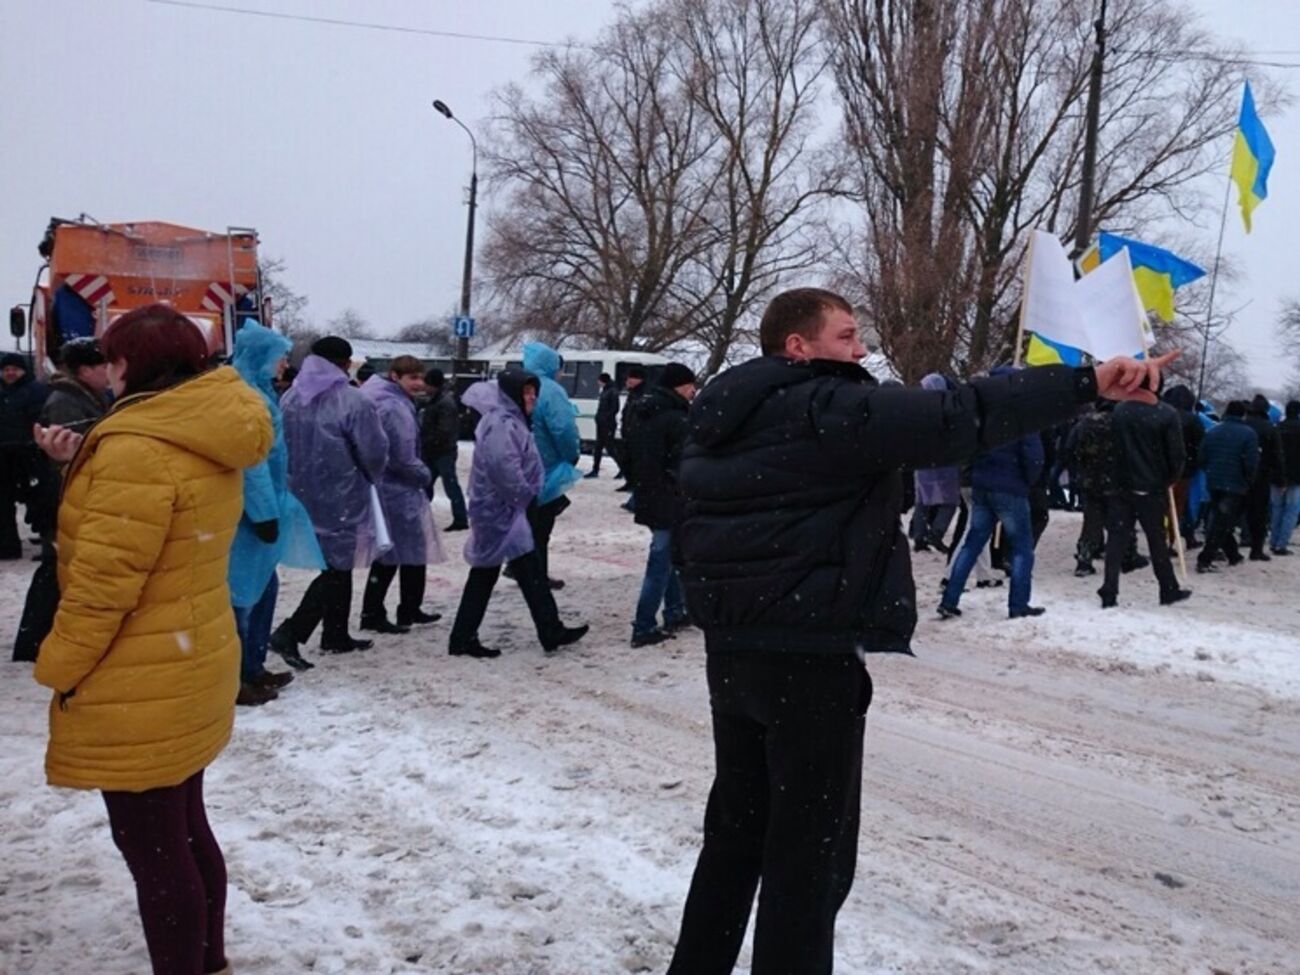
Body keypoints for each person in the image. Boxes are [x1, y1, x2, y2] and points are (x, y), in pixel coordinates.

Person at [667, 287, 1173, 975]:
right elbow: (955, 416)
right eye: (847, 336)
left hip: (733, 652)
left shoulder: (719, 415)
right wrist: (1085, 382)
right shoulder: (826, 404)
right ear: (798, 346)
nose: (861, 350)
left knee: (733, 836)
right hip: (809, 661)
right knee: (807, 863)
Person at [31, 303, 272, 975]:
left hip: (139, 676)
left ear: (130, 364)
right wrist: (80, 462)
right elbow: (158, 505)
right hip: (186, 660)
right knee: (184, 832)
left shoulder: (138, 447)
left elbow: (104, 588)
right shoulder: (195, 425)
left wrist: (59, 665)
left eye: (110, 359)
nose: (105, 372)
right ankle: (208, 961)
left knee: (156, 850)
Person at [446, 369, 589, 658]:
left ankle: (549, 630)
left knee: (524, 571)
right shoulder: (502, 423)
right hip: (501, 510)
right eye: (525, 391)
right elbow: (504, 468)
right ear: (512, 393)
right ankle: (465, 637)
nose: (531, 396)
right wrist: (526, 497)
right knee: (499, 572)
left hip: (505, 509)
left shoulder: (510, 420)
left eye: (532, 391)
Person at [270, 336, 388, 668]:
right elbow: (374, 450)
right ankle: (291, 632)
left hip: (301, 491)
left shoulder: (291, 396)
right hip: (342, 491)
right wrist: (369, 474)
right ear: (345, 362)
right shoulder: (353, 400)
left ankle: (335, 633)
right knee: (337, 567)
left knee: (336, 564)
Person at [227, 321, 325, 706]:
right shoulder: (244, 397)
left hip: (265, 509)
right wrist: (263, 513)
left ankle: (252, 666)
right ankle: (235, 678)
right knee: (242, 596)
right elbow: (252, 464)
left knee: (264, 588)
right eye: (280, 356)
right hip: (249, 517)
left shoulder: (260, 391)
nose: (284, 363)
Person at [13, 340, 112, 663]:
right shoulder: (65, 403)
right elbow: (67, 457)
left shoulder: (84, 396)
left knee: (56, 568)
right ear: (84, 370)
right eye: (101, 366)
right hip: (59, 497)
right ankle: (34, 641)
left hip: (64, 495)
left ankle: (38, 639)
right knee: (54, 569)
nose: (107, 372)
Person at [939, 367, 1046, 620]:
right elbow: (1034, 457)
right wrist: (1027, 481)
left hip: (982, 485)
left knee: (973, 543)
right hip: (1010, 488)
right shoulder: (1022, 416)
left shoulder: (981, 414)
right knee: (1021, 548)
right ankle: (1018, 604)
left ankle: (949, 598)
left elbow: (968, 448)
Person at [360, 356, 446, 632]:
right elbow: (402, 454)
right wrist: (424, 475)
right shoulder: (394, 407)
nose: (419, 384)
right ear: (395, 377)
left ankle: (403, 608)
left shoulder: (383, 400)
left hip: (388, 487)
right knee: (398, 553)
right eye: (413, 378)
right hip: (399, 490)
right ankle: (383, 612)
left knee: (401, 551)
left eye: (420, 377)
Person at [627, 363, 696, 647]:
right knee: (662, 559)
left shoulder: (644, 411)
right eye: (691, 385)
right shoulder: (676, 418)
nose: (694, 390)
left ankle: (675, 610)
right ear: (679, 386)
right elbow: (683, 463)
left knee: (668, 556)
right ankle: (644, 626)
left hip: (649, 492)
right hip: (670, 495)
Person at [1098, 399, 1190, 608]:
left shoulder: (1121, 410)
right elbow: (1177, 454)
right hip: (1151, 486)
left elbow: (1110, 446)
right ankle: (1167, 588)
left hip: (1122, 484)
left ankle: (1109, 589)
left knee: (1116, 539)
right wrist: (1170, 477)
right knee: (1156, 539)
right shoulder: (1166, 414)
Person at [519, 341, 582, 588]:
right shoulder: (552, 391)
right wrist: (571, 455)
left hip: (521, 467)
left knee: (526, 522)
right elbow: (563, 429)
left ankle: (522, 567)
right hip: (546, 467)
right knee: (541, 526)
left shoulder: (520, 386)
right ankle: (536, 575)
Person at [1196, 400, 1259, 574]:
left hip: (1214, 482)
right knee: (1222, 523)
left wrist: (1210, 471)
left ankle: (1233, 555)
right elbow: (1251, 463)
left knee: (1221, 520)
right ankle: (1205, 559)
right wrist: (1248, 481)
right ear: (1243, 414)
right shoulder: (1249, 434)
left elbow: (1201, 457)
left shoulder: (1213, 431)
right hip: (1235, 484)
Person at [1, 351, 48, 559]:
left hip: (29, 454)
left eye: (14, 369)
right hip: (3, 455)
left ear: (23, 370)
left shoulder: (36, 391)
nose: (10, 373)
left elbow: (41, 419)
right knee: (4, 503)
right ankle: (8, 546)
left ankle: (49, 545)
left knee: (39, 501)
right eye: (6, 369)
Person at [910, 373, 960, 553]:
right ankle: (936, 534)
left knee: (922, 502)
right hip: (944, 462)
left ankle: (919, 536)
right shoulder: (950, 409)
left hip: (923, 462)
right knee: (949, 502)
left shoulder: (916, 408)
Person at [419, 368, 468, 531]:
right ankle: (422, 515)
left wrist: (427, 441)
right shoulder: (438, 400)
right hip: (439, 451)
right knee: (433, 485)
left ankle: (460, 518)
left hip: (442, 452)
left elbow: (445, 431)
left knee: (449, 486)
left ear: (433, 384)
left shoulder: (443, 403)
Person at [1243, 394, 1285, 561]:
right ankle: (1256, 548)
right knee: (1259, 515)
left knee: (1234, 512)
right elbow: (1277, 456)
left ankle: (1225, 545)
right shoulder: (1270, 428)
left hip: (1241, 476)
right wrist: (1280, 479)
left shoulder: (1244, 424)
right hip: (1261, 476)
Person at [1162, 384, 1205, 546]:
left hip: (1161, 469)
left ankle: (1169, 537)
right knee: (1177, 508)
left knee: (1165, 507)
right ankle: (1170, 539)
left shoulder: (1163, 415)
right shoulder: (1193, 420)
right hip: (1184, 471)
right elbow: (1201, 444)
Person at [1269, 400, 1300, 555]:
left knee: (1276, 509)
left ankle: (1273, 541)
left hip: (1276, 476)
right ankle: (1282, 544)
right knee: (1291, 510)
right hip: (1295, 476)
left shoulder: (1278, 428)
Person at [617, 366, 648, 496]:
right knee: (626, 459)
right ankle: (629, 482)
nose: (627, 381)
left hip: (636, 433)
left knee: (634, 461)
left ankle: (635, 485)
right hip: (629, 431)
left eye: (630, 378)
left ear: (637, 379)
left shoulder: (643, 393)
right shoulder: (633, 393)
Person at [586, 371, 620, 478]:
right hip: (602, 422)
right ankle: (595, 469)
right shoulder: (606, 391)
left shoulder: (612, 392)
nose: (598, 382)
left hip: (607, 424)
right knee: (598, 447)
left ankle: (624, 468)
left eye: (599, 380)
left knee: (610, 448)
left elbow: (614, 408)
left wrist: (605, 418)